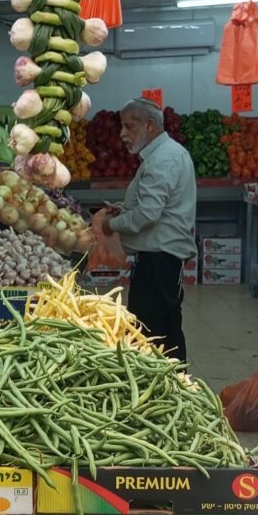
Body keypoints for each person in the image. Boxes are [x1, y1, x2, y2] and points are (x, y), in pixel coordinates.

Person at [97, 98, 196, 361]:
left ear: (149, 125)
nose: (122, 134)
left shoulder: (163, 159)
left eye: (129, 126)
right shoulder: (163, 155)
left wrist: (111, 225)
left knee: (156, 334)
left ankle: (172, 382)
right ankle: (169, 381)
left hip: (159, 262)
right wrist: (124, 210)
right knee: (154, 330)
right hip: (156, 260)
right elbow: (157, 206)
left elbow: (148, 214)